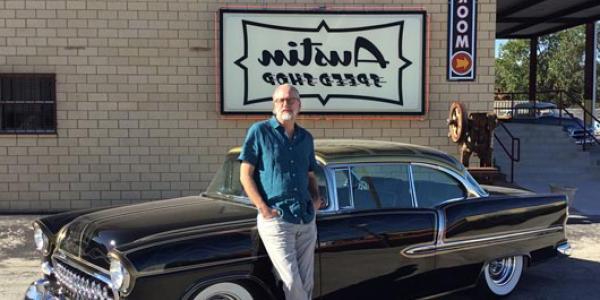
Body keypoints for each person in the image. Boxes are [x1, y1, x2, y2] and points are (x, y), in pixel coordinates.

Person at [239, 84, 322, 300]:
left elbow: (311, 175)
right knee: (291, 280)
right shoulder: (259, 132)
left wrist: (315, 199)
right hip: (277, 219)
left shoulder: (306, 138)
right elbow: (245, 174)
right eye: (281, 100)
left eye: (291, 100)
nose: (286, 104)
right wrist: (263, 208)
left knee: (306, 280)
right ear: (274, 105)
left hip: (305, 218)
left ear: (299, 105)